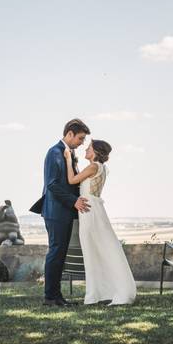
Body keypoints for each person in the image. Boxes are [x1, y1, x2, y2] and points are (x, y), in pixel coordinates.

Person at [65, 139, 136, 305]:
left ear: (95, 151)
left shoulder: (93, 166)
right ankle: (99, 293)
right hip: (94, 210)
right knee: (101, 250)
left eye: (88, 148)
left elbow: (71, 180)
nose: (85, 150)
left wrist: (68, 159)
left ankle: (94, 295)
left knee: (91, 253)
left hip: (89, 212)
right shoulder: (102, 168)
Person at [41, 118, 91, 307]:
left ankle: (56, 295)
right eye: (80, 138)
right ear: (69, 133)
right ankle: (50, 297)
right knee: (56, 252)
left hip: (64, 212)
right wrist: (74, 201)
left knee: (60, 253)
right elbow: (52, 184)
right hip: (55, 212)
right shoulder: (54, 152)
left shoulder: (68, 153)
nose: (81, 143)